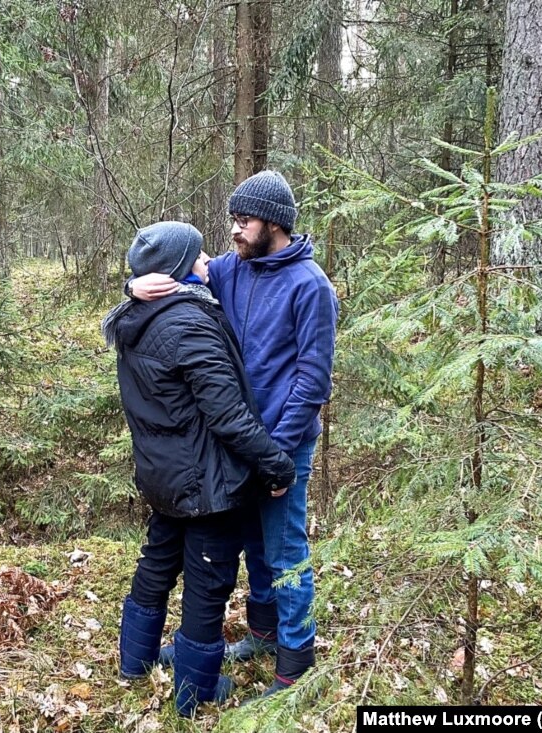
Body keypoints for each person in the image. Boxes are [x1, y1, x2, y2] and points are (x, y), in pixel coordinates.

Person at [129, 171, 339, 699]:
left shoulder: (311, 286)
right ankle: (264, 635)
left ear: (274, 223)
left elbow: (312, 383)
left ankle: (295, 662)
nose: (234, 232)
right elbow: (172, 272)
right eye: (233, 221)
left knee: (285, 549)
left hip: (280, 448)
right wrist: (130, 285)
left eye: (243, 222)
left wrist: (279, 456)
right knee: (250, 545)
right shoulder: (232, 270)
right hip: (238, 445)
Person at [104, 221, 296, 717]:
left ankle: (135, 661)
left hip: (162, 475)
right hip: (205, 481)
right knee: (209, 581)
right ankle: (196, 693)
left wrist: (131, 285)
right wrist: (276, 464)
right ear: (175, 272)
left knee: (158, 561)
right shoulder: (187, 323)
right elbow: (228, 414)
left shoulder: (136, 316)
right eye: (197, 256)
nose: (208, 260)